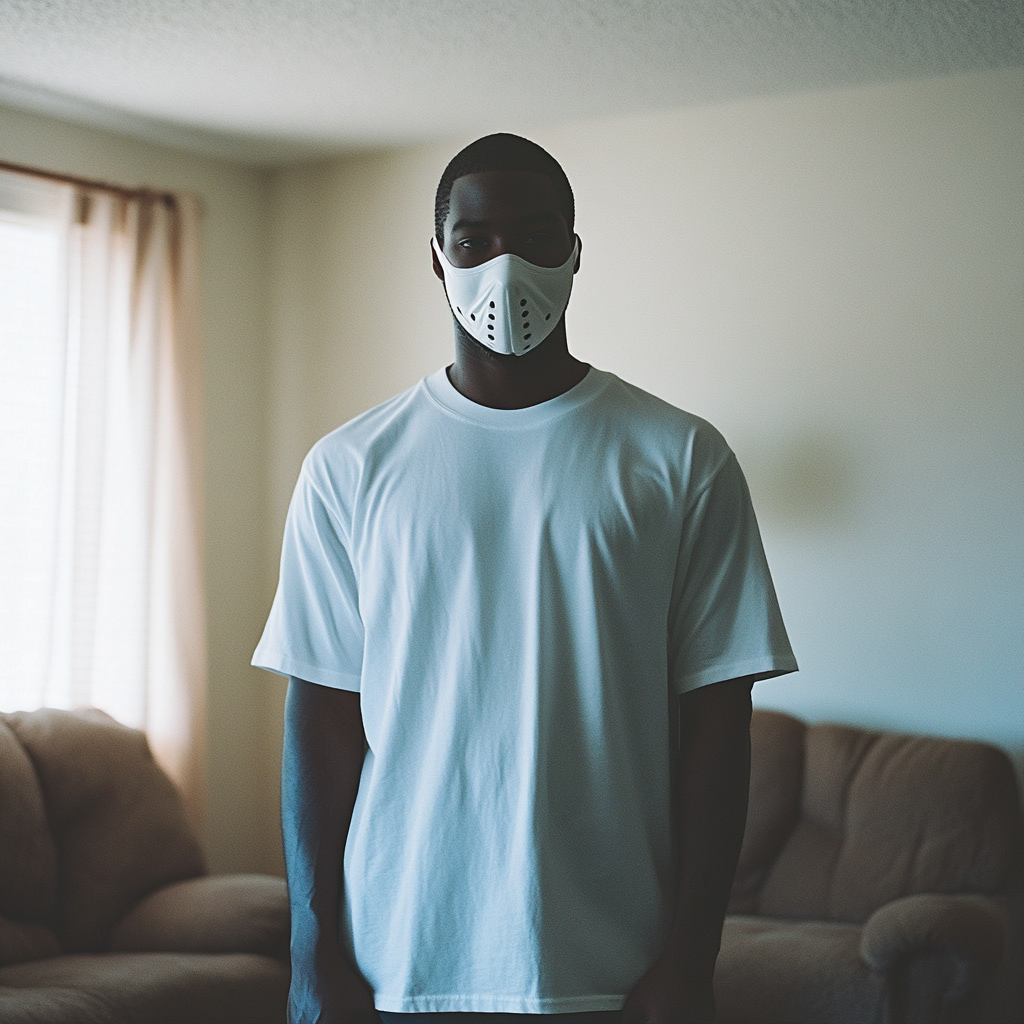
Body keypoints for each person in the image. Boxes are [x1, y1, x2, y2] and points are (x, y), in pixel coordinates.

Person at [253, 133, 797, 1024]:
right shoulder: (349, 466)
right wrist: (315, 956)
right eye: (474, 240)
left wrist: (691, 959)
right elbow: (318, 720)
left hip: (613, 963)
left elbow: (716, 726)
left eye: (537, 236)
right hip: (400, 957)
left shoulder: (679, 458)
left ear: (576, 253)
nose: (505, 267)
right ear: (438, 259)